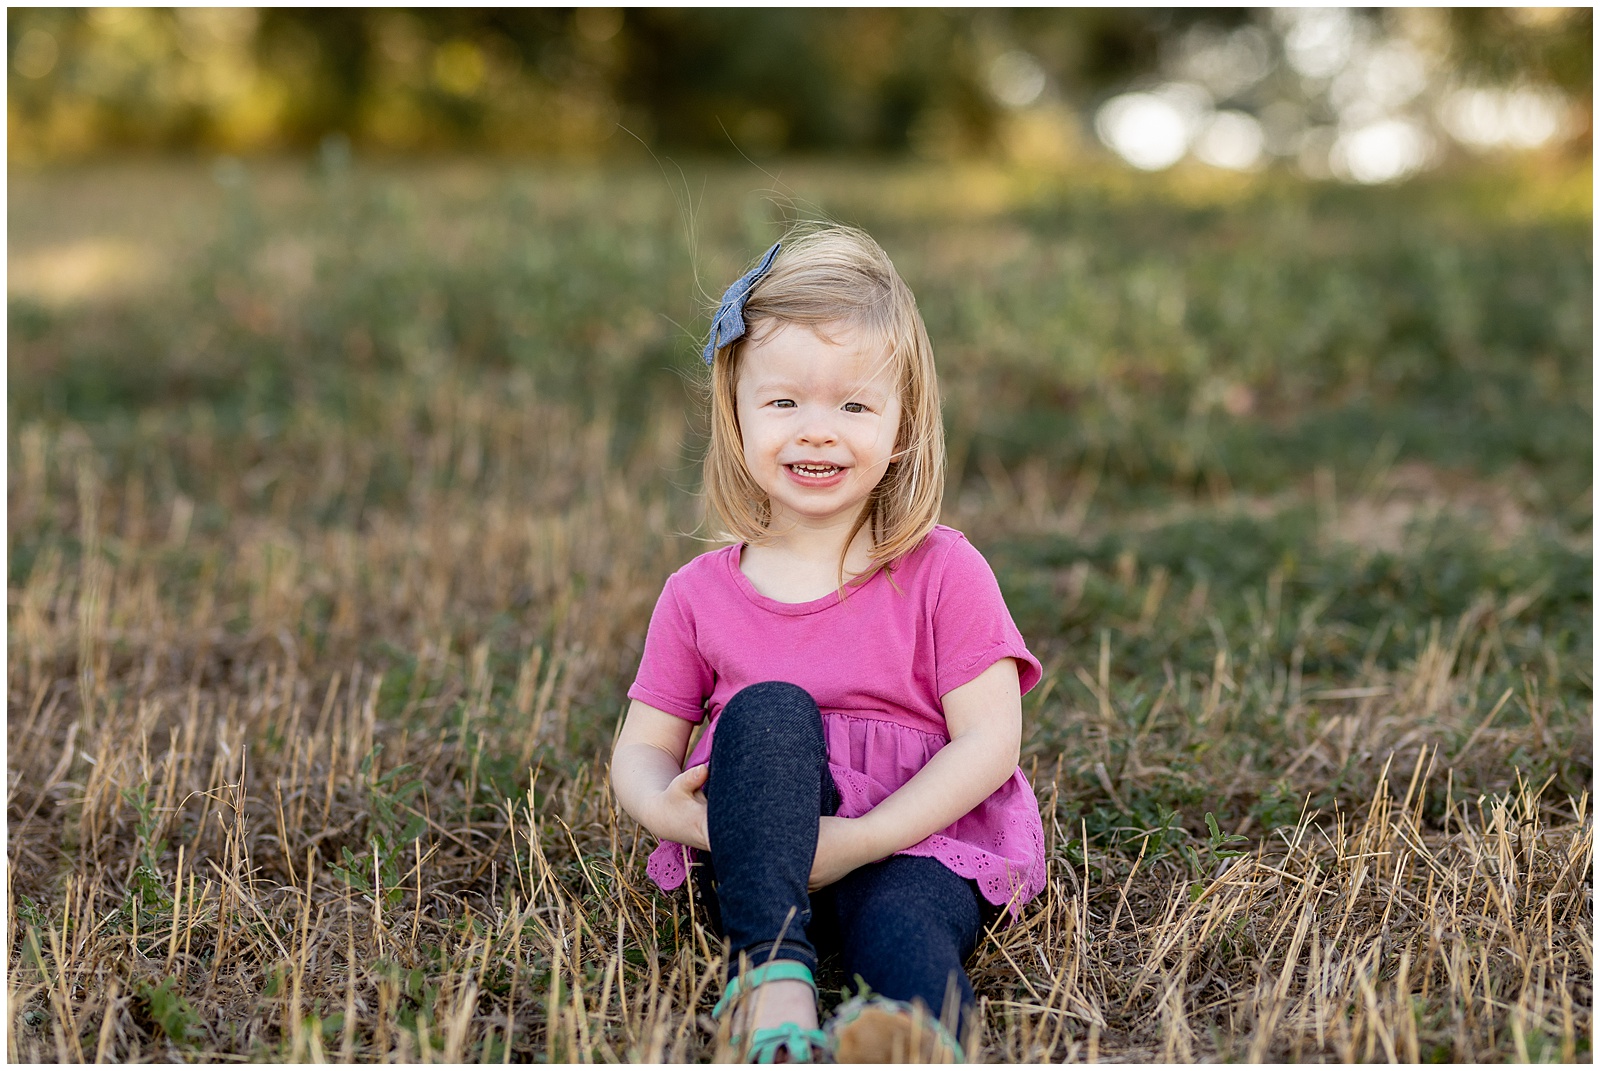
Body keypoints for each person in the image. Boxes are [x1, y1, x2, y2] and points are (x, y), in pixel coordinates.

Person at [611, 225, 1046, 1063]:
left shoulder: (943, 570)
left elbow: (992, 741)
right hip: (755, 856)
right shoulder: (696, 594)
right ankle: (774, 981)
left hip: (916, 840)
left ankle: (909, 1036)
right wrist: (670, 811)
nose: (818, 431)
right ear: (734, 412)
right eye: (784, 402)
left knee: (905, 924)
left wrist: (862, 839)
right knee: (768, 710)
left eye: (853, 405)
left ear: (901, 424)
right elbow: (641, 748)